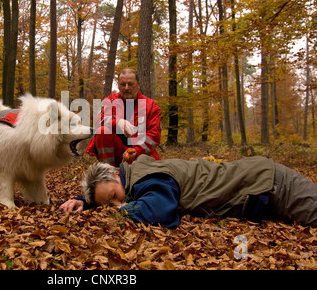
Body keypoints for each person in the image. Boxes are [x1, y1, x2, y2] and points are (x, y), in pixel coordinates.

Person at [60, 154, 317, 228]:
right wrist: (86, 201)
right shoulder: (134, 176)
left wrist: (120, 211)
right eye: (109, 204)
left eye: (114, 197)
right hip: (261, 192)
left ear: (117, 173)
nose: (118, 204)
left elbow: (160, 211)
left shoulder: (150, 179)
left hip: (270, 183)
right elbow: (116, 194)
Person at [86, 68, 161, 167]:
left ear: (138, 84)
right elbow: (99, 119)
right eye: (122, 84)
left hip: (141, 155)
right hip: (116, 152)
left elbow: (154, 136)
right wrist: (116, 122)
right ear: (118, 85)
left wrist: (137, 151)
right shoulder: (110, 101)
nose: (126, 88)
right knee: (102, 130)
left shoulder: (150, 106)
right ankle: (108, 170)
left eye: (130, 84)